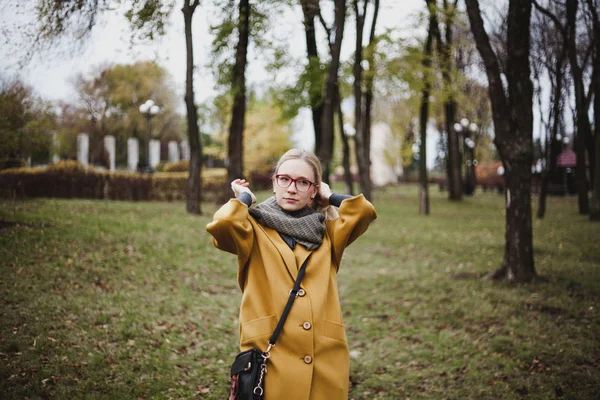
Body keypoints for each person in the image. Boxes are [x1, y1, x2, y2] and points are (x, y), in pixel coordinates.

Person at [206, 149, 377, 399]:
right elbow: (222, 224)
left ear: (313, 190)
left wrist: (329, 196)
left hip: (323, 357)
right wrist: (244, 197)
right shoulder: (252, 228)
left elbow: (363, 212)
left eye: (303, 182)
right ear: (274, 182)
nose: (291, 188)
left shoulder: (328, 233)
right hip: (270, 356)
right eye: (284, 179)